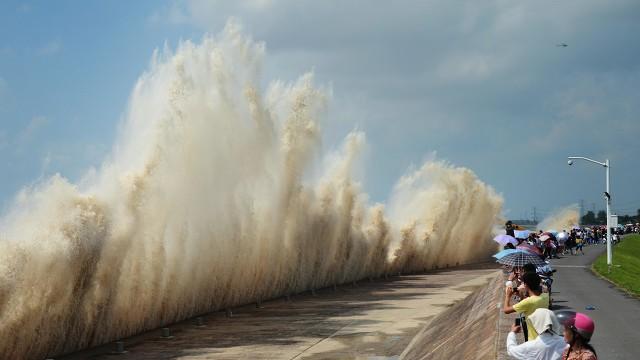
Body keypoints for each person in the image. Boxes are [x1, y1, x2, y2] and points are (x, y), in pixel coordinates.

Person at [504, 272, 550, 341]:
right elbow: (532, 301)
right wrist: (521, 295)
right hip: (545, 336)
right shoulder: (545, 296)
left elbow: (506, 310)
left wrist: (508, 296)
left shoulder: (528, 302)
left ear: (526, 285)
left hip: (533, 339)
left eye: (523, 283)